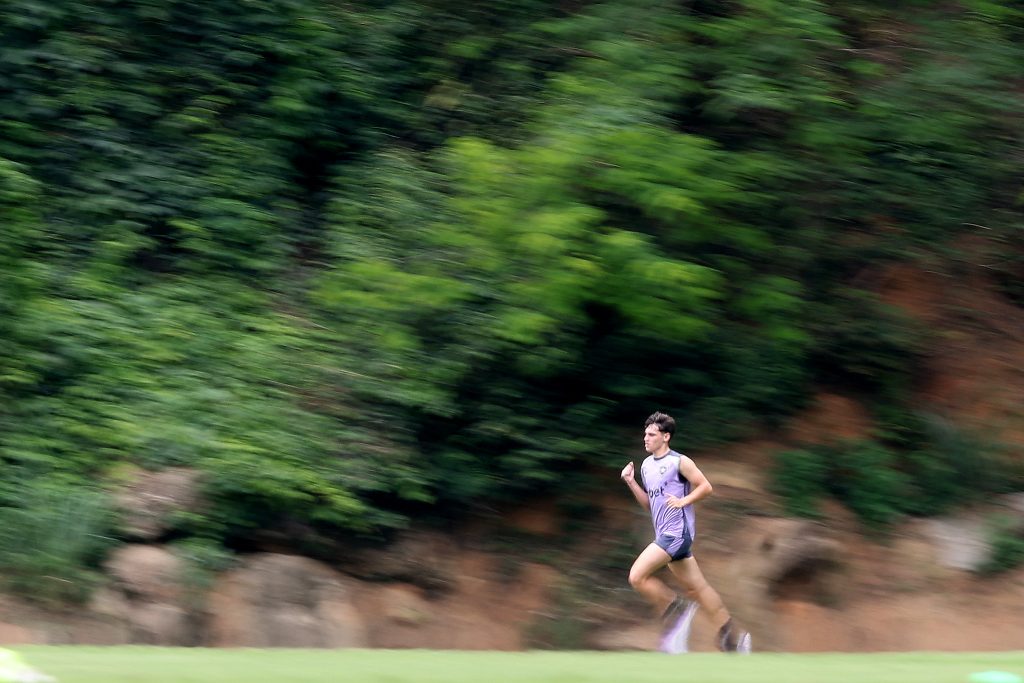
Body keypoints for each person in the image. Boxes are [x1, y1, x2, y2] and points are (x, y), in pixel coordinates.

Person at [620, 411, 751, 654]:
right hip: (667, 536)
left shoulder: (679, 462)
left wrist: (684, 501)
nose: (646, 438)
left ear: (666, 437)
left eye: (651, 434)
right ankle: (732, 639)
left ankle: (676, 608)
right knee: (698, 589)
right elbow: (650, 505)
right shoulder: (646, 466)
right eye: (645, 434)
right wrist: (630, 481)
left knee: (636, 577)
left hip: (676, 535)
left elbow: (706, 487)